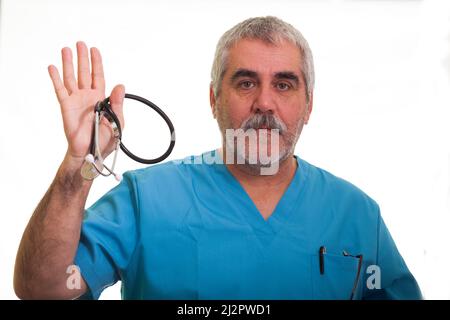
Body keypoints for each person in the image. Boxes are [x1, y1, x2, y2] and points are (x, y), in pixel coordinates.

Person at [14, 16, 422, 300]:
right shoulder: (146, 199)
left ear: (309, 105)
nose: (265, 102)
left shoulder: (356, 214)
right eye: (246, 83)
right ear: (214, 99)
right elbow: (41, 289)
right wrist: (77, 165)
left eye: (284, 84)